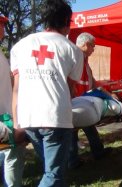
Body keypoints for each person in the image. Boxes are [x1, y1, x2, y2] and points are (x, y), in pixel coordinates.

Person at [10, 0, 84, 186]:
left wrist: (18, 124)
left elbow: (16, 89)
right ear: (67, 21)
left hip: (28, 118)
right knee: (54, 174)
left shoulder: (20, 45)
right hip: (55, 118)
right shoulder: (72, 50)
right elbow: (69, 89)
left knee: (50, 168)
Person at [68, 32, 114, 169]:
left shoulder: (84, 60)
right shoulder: (75, 58)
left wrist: (105, 90)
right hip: (76, 102)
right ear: (85, 44)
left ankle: (96, 152)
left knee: (89, 127)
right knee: (72, 132)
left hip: (83, 102)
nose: (94, 49)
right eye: (93, 46)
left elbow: (91, 81)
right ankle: (73, 161)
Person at [68, 88, 122, 168]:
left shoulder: (96, 95)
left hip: (74, 104)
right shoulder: (114, 103)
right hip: (88, 109)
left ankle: (73, 160)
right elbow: (117, 109)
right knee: (81, 128)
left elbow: (99, 89)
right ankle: (96, 153)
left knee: (73, 130)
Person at [0, 14, 25, 187]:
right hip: (2, 119)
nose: (3, 30)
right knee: (15, 151)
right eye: (1, 25)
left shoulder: (1, 54)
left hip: (5, 113)